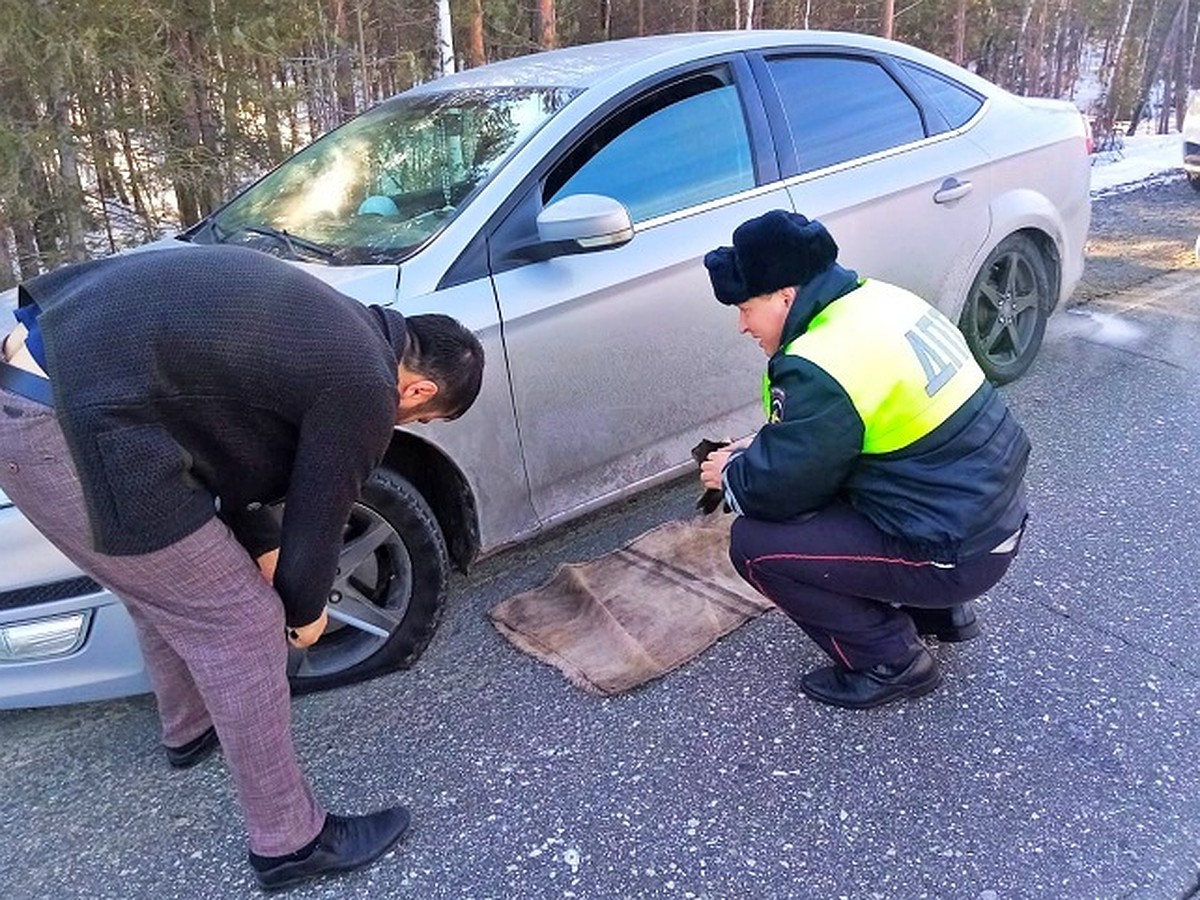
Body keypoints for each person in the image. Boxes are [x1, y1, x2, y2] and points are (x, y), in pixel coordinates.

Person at [0, 244, 485, 890]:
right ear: (419, 388)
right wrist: (304, 615)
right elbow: (321, 513)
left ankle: (190, 728)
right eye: (422, 417)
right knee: (243, 626)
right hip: (73, 431)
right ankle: (291, 843)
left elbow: (221, 435)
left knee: (166, 590)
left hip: (34, 391)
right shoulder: (367, 383)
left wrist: (260, 540)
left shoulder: (338, 324)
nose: (410, 423)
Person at [699, 210, 1029, 710]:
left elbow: (781, 492)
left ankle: (892, 662)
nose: (742, 325)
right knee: (878, 476)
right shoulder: (879, 301)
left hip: (956, 554)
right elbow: (857, 429)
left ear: (785, 296)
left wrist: (732, 474)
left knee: (754, 544)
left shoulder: (817, 360)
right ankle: (942, 614)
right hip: (991, 520)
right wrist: (756, 448)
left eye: (745, 307)